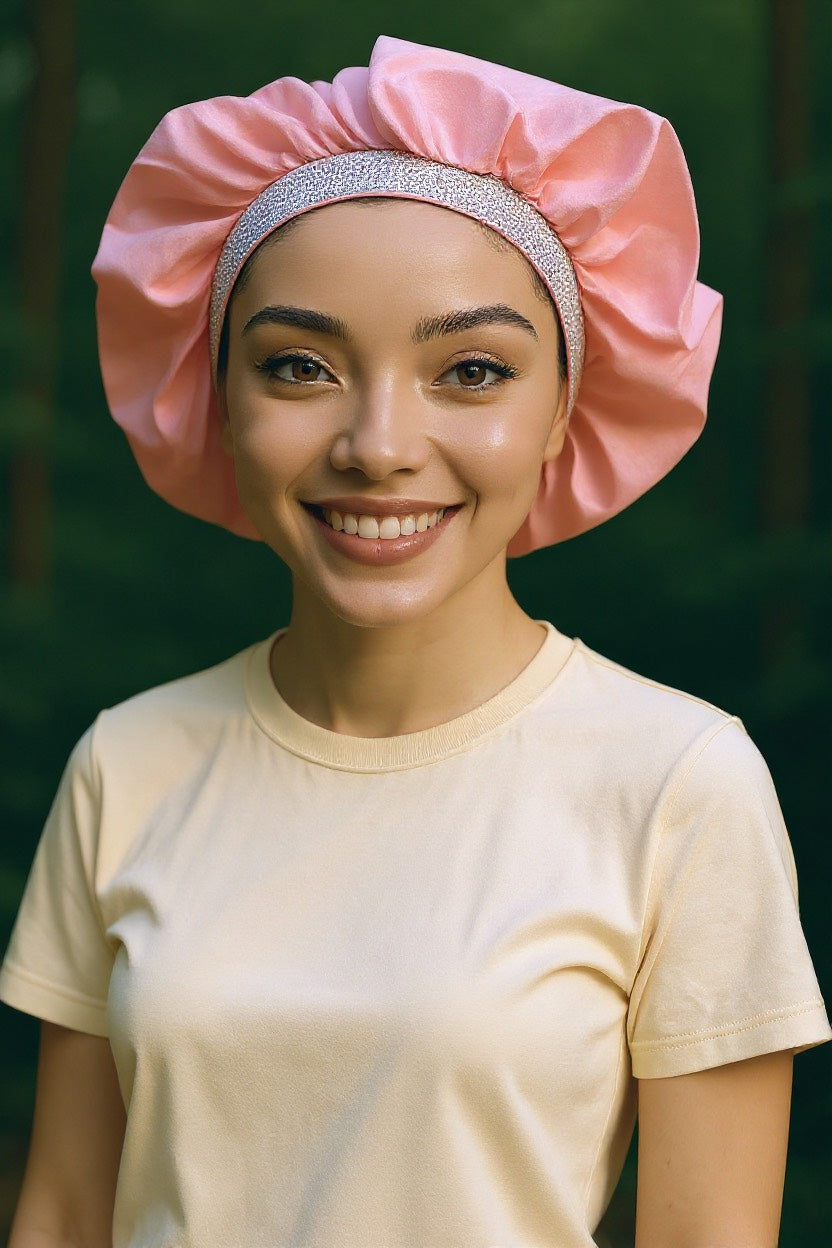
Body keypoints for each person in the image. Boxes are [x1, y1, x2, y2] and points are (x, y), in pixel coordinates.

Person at [1, 34, 829, 1248]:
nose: (378, 442)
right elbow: (65, 1211)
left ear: (565, 410)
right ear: (213, 393)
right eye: (299, 366)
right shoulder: (127, 764)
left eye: (471, 370)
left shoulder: (677, 784)